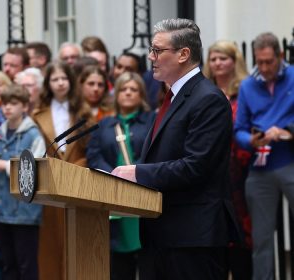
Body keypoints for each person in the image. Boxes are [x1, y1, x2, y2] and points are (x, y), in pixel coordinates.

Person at [111, 18, 238, 280]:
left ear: (183, 54)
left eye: (158, 50)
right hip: (162, 233)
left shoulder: (208, 99)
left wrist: (137, 173)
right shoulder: (172, 97)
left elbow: (196, 166)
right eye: (151, 49)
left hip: (192, 237)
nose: (151, 56)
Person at [234, 32, 294, 280]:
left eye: (269, 61)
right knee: (261, 239)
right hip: (260, 165)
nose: (265, 67)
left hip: (289, 159)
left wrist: (288, 131)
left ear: (280, 56)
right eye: (260, 62)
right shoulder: (248, 85)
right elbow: (238, 130)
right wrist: (251, 140)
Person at [87, 72, 155, 280]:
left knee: (147, 257)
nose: (128, 93)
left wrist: (137, 173)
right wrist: (114, 176)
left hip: (143, 194)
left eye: (133, 90)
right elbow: (94, 156)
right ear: (116, 95)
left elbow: (157, 151)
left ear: (141, 95)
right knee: (119, 263)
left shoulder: (152, 121)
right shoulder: (104, 125)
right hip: (113, 196)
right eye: (123, 89)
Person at [32, 61, 92, 279]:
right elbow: (35, 150)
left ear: (71, 82)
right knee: (50, 244)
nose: (60, 83)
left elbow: (91, 147)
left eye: (64, 78)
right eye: (55, 79)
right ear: (48, 84)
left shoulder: (83, 112)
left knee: (77, 242)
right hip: (50, 186)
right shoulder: (37, 115)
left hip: (79, 184)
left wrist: (78, 168)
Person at [0, 84, 45, 280]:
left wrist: (3, 165)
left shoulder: (34, 134)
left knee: (26, 265)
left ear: (25, 107)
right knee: (8, 266)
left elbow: (35, 171)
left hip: (24, 211)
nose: (7, 108)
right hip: (1, 209)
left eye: (14, 103)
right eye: (5, 103)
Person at [203, 40, 252, 280]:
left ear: (235, 61)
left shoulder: (245, 91)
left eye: (223, 58)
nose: (218, 63)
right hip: (209, 171)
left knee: (242, 235)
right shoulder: (202, 91)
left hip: (238, 171)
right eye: (213, 59)